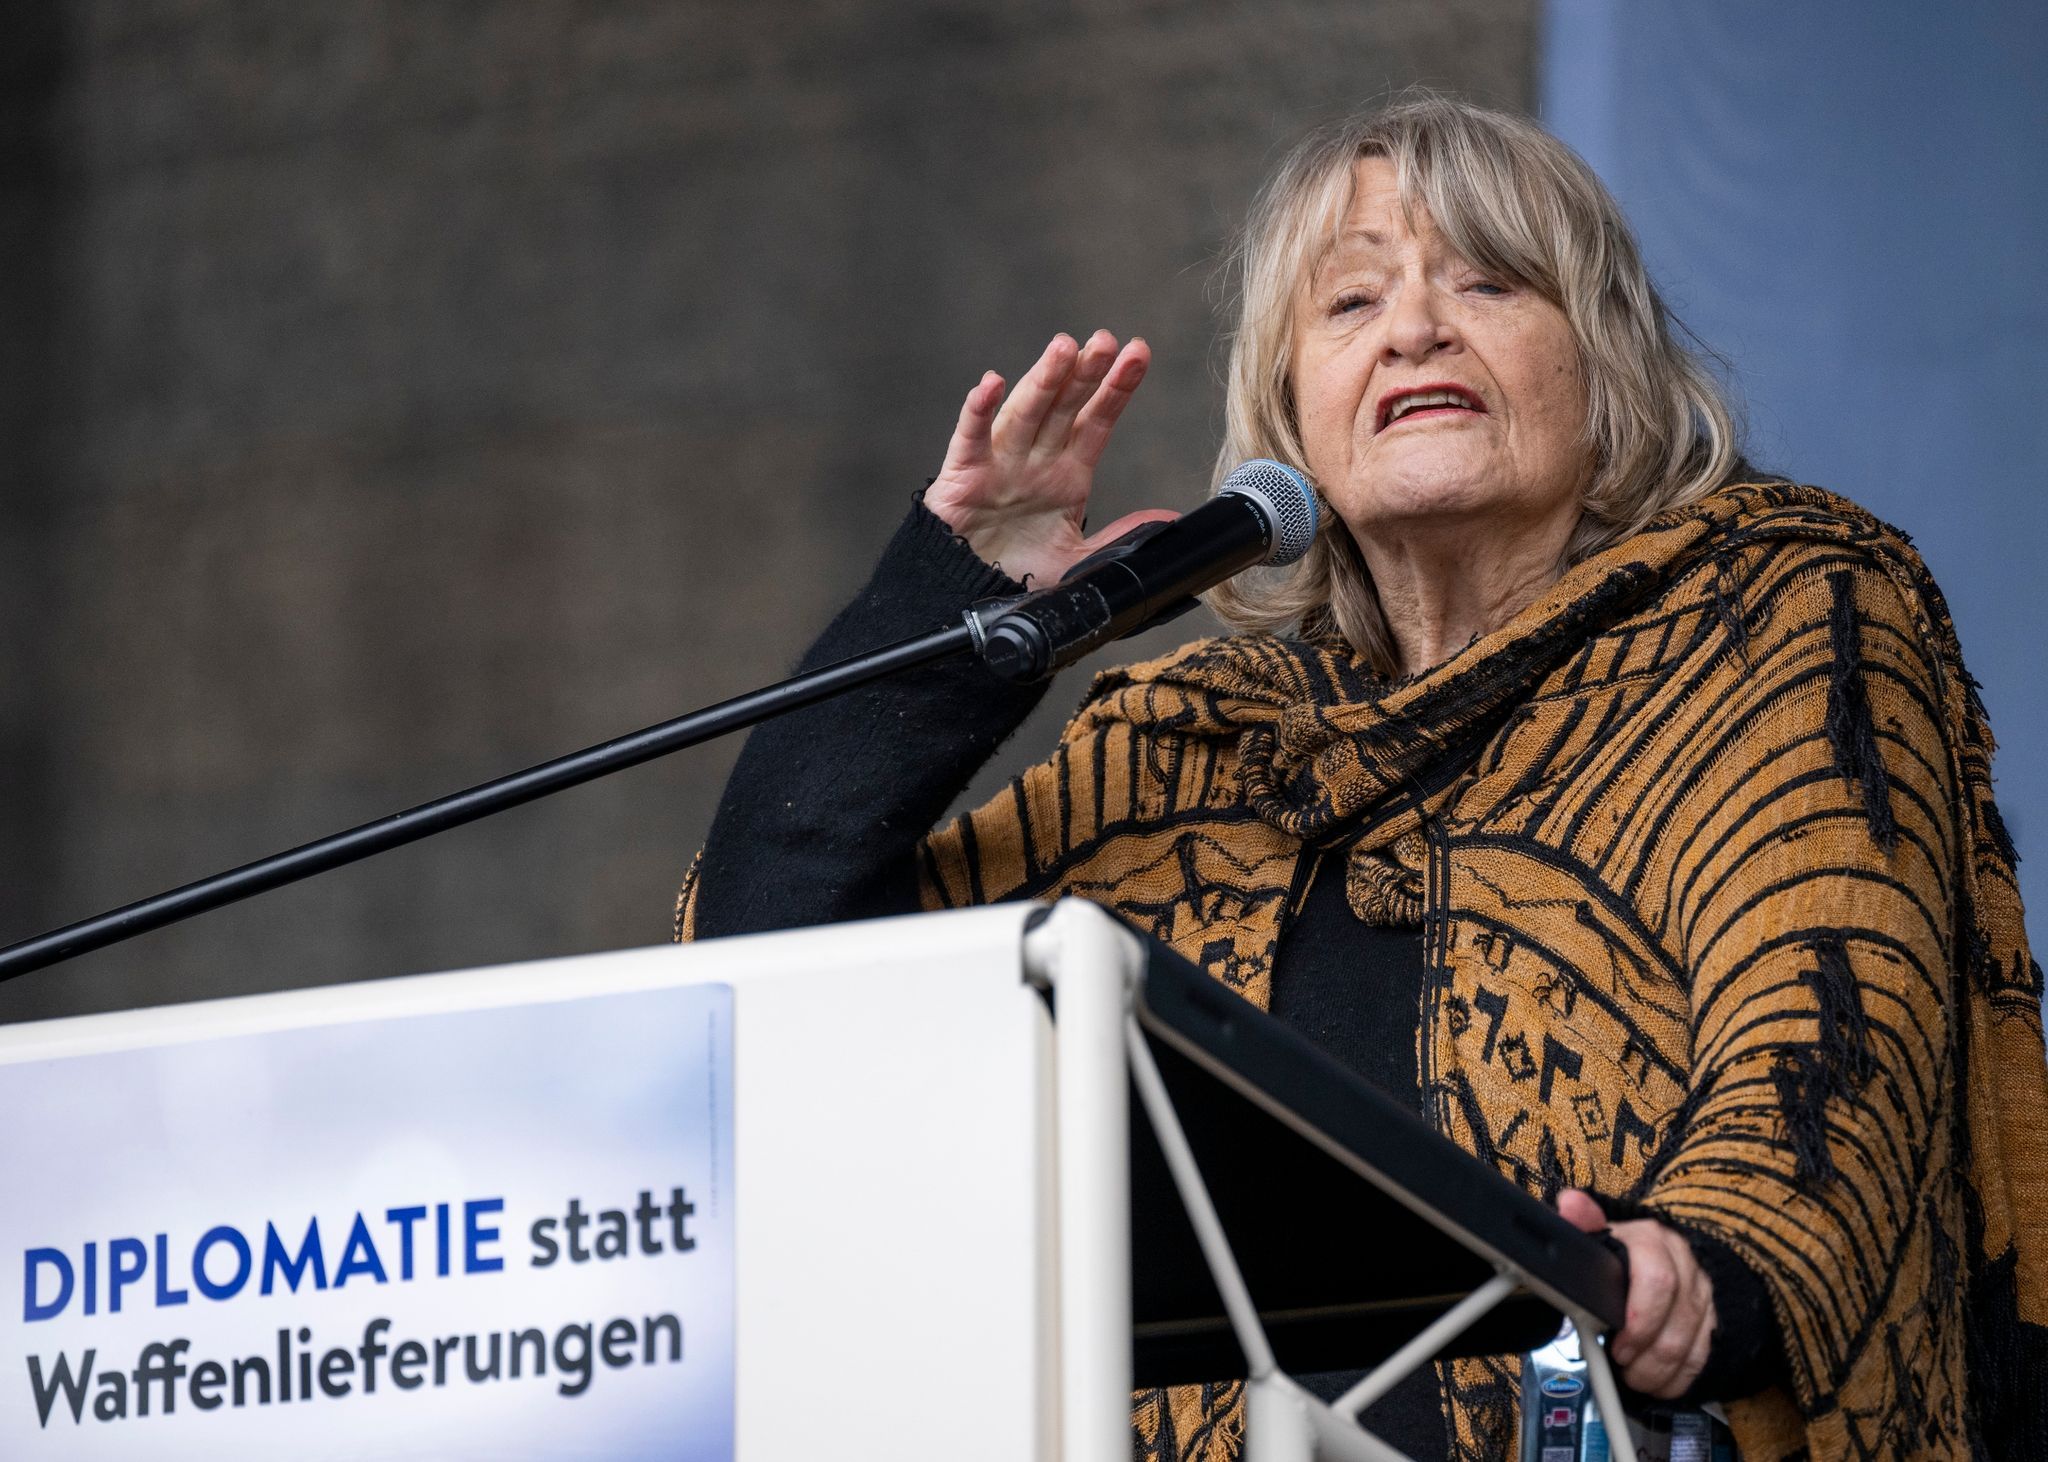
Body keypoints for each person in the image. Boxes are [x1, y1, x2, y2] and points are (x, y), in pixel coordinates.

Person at [678, 95, 2047, 1461]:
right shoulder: (1186, 741)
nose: (1413, 329)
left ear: (1607, 363)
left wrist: (1708, 1275)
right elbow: (772, 971)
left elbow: (1830, 1009)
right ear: (1291, 419)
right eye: (1350, 304)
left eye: (1489, 280)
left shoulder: (1772, 607)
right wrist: (959, 601)